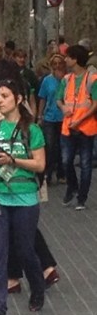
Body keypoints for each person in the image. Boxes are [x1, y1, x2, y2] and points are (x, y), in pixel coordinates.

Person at [0, 79, 46, 315]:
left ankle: (37, 286)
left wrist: (12, 160)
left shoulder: (32, 130)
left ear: (18, 99)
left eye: (5, 96)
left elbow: (40, 164)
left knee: (25, 249)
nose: (0, 100)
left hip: (25, 197)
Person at [57, 44, 97, 210]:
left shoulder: (92, 79)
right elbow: (59, 99)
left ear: (75, 59)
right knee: (66, 161)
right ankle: (72, 186)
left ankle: (82, 198)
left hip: (86, 127)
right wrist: (63, 107)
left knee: (86, 163)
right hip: (68, 127)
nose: (65, 59)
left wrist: (80, 120)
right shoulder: (67, 79)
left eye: (68, 57)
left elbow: (95, 104)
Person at [37, 54, 67, 185]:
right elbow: (42, 98)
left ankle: (61, 173)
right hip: (49, 117)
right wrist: (40, 116)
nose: (57, 66)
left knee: (62, 146)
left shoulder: (67, 79)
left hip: (64, 117)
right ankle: (47, 174)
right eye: (55, 63)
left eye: (60, 63)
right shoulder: (47, 80)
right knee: (49, 146)